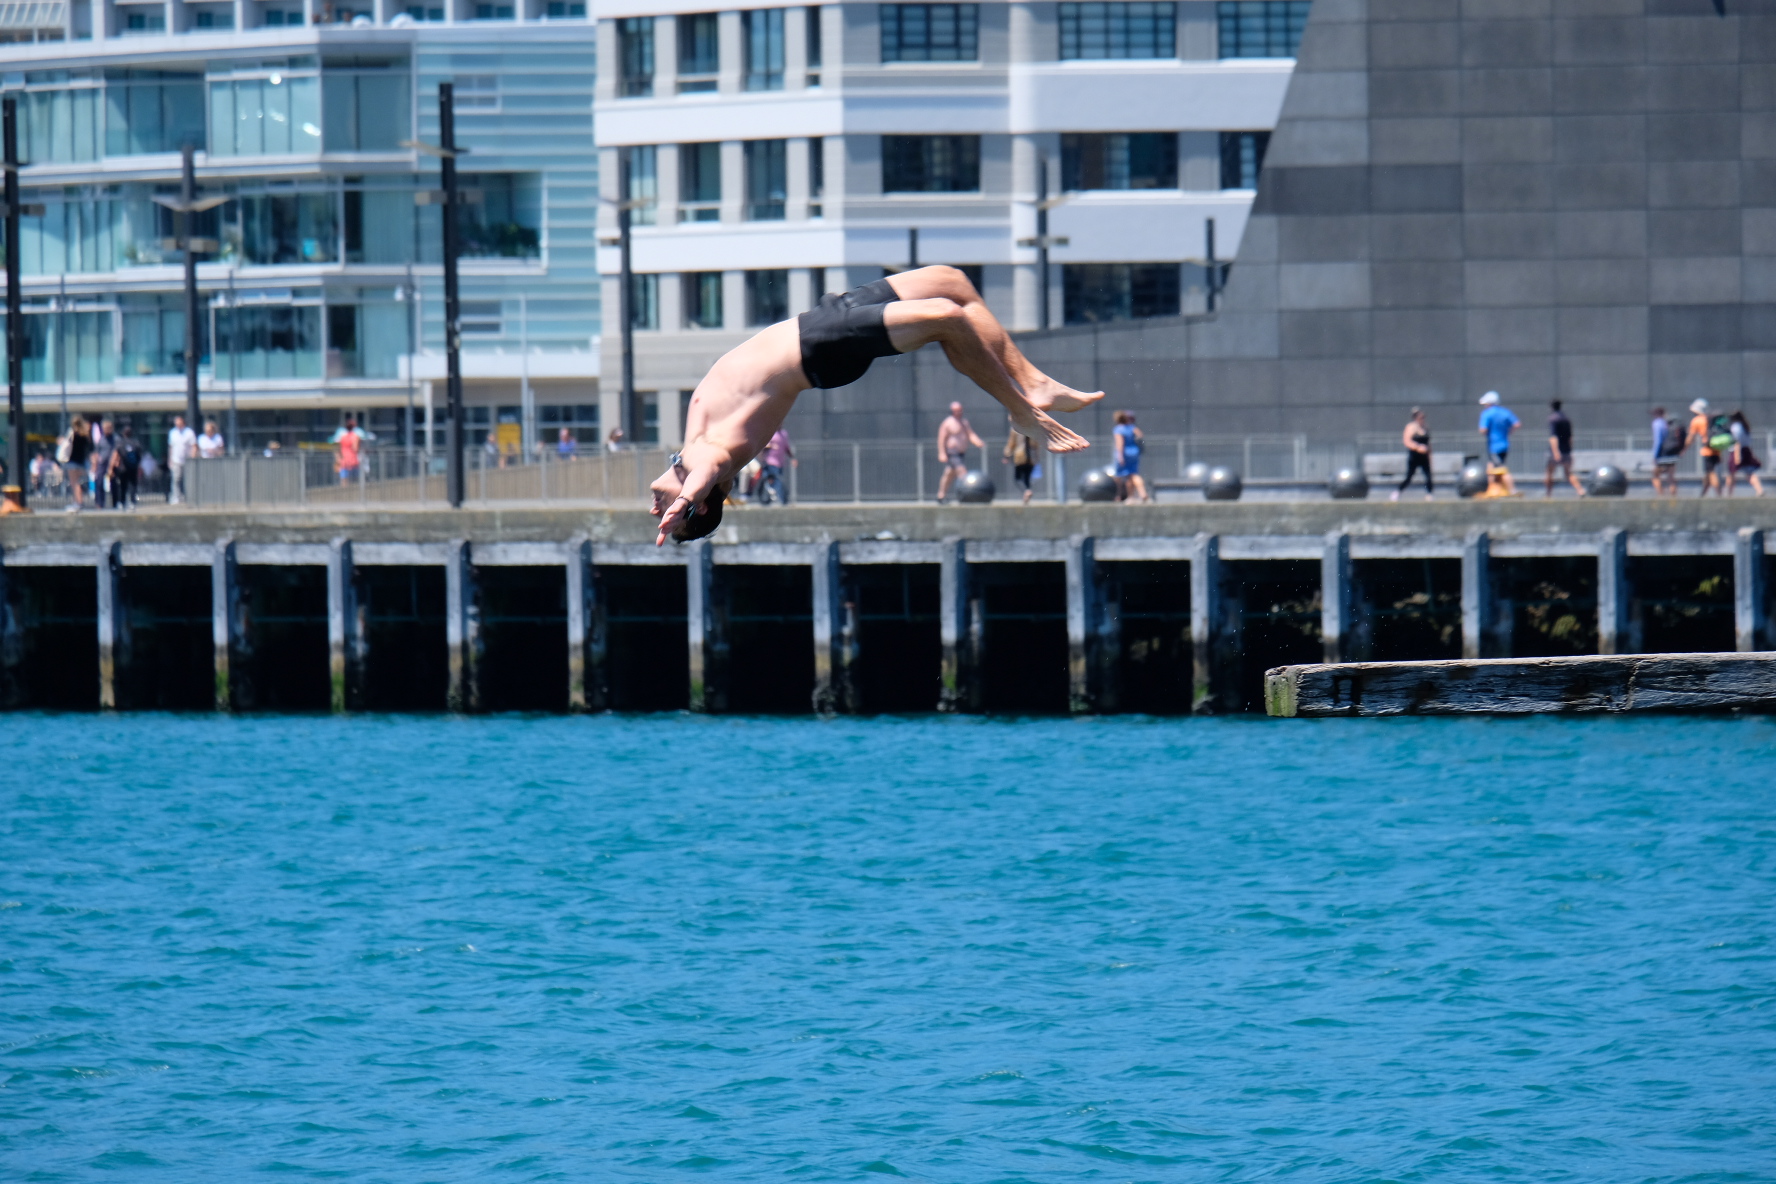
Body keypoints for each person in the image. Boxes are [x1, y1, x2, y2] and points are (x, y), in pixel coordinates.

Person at [651, 265, 1096, 543]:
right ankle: (1021, 409)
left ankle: (1033, 382)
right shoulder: (710, 457)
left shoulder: (693, 446)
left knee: (953, 283)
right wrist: (684, 498)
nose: (656, 509)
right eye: (671, 514)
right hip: (821, 346)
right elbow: (707, 471)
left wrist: (686, 500)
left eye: (663, 512)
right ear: (700, 504)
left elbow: (705, 479)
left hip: (819, 321)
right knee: (947, 316)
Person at [936, 402, 987, 503]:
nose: (959, 412)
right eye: (957, 410)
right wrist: (941, 453)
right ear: (952, 411)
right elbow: (941, 439)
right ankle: (965, 495)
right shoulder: (948, 423)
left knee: (949, 474)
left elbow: (970, 434)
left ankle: (941, 496)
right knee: (962, 472)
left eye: (960, 410)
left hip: (961, 453)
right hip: (952, 453)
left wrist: (978, 442)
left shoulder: (964, 422)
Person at [1477, 390, 1519, 496]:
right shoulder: (1505, 412)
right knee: (1491, 467)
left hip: (1494, 446)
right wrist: (1507, 432)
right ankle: (1493, 489)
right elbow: (1517, 424)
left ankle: (1513, 490)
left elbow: (1483, 429)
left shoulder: (1487, 414)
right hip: (1504, 444)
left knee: (1501, 469)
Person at [1391, 407, 1433, 501]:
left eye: (1423, 417)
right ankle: (1397, 491)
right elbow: (1407, 441)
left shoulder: (1425, 427)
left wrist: (1430, 454)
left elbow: (1428, 443)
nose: (1422, 419)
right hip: (1414, 456)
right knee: (1409, 477)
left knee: (1428, 476)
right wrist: (1418, 447)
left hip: (1424, 457)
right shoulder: (1411, 427)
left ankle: (1429, 494)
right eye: (1420, 417)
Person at [1545, 399, 1584, 498]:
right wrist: (1569, 450)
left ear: (1552, 407)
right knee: (1569, 473)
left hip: (1556, 451)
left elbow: (1553, 437)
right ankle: (1580, 490)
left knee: (1549, 473)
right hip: (1566, 451)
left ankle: (1548, 494)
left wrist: (1555, 451)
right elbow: (1570, 437)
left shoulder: (1553, 419)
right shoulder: (1566, 419)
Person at [1687, 398, 1722, 497]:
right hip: (1716, 448)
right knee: (1708, 473)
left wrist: (1683, 449)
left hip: (1707, 450)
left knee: (1711, 472)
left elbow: (1691, 437)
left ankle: (1719, 494)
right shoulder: (1710, 419)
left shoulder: (1697, 420)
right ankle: (1703, 494)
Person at [1113, 410, 1148, 503]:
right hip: (1134, 452)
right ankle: (1142, 493)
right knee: (1133, 474)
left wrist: (1120, 456)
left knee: (1123, 476)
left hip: (1125, 453)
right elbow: (1140, 435)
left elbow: (1119, 444)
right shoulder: (1132, 427)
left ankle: (1125, 496)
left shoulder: (1118, 429)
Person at [1727, 411, 1764, 498]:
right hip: (1746, 450)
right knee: (1749, 472)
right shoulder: (1744, 425)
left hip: (1738, 450)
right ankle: (1760, 490)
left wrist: (1737, 456)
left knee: (1732, 473)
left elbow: (1737, 441)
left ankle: (1729, 494)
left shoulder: (1736, 426)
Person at [755, 427, 795, 505]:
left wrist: (792, 458)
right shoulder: (770, 433)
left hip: (779, 463)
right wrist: (771, 446)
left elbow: (787, 448)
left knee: (777, 481)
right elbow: (763, 445)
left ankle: (781, 499)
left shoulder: (784, 434)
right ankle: (769, 499)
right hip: (769, 462)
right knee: (769, 480)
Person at [60, 416, 92, 511]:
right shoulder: (85, 435)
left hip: (72, 461)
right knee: (78, 482)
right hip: (81, 462)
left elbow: (67, 445)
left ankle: (78, 502)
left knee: (75, 483)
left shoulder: (73, 434)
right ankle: (78, 502)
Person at [108, 424, 142, 509]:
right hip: (133, 467)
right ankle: (133, 501)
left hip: (123, 468)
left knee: (123, 485)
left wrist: (111, 467)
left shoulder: (120, 443)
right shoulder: (136, 443)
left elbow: (116, 454)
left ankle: (122, 502)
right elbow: (139, 455)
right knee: (133, 484)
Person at [1651, 406, 1681, 497]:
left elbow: (1658, 441)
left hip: (1662, 454)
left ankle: (1661, 497)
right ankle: (1673, 499)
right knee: (1671, 477)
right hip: (1672, 453)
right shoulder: (1667, 423)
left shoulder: (1657, 423)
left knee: (1655, 476)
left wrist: (1655, 456)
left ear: (1657, 414)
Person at [1003, 424, 1037, 505]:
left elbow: (1011, 444)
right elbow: (1036, 444)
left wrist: (1006, 455)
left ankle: (1026, 491)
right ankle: (1027, 495)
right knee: (1027, 478)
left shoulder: (1015, 429)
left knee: (1017, 478)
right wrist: (1036, 457)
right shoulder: (1032, 428)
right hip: (1031, 457)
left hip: (1020, 456)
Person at [166, 415, 197, 504]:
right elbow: (171, 447)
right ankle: (176, 497)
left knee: (188, 480)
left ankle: (189, 497)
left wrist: (192, 458)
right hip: (176, 460)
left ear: (183, 423)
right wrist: (170, 459)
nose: (177, 425)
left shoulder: (189, 432)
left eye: (179, 424)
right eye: (176, 424)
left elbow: (194, 446)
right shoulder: (172, 433)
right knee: (176, 479)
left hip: (187, 460)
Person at [90, 418, 115, 509]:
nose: (106, 430)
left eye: (108, 428)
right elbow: (96, 452)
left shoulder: (115, 439)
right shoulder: (101, 439)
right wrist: (94, 464)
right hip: (102, 463)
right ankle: (99, 503)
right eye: (104, 428)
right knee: (99, 481)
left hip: (112, 463)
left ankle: (115, 503)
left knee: (114, 483)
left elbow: (116, 451)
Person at [332, 416, 364, 484]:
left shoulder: (343, 437)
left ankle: (344, 491)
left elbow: (338, 447)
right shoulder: (355, 436)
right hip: (353, 460)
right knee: (355, 479)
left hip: (344, 460)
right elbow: (355, 448)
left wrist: (337, 457)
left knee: (344, 479)